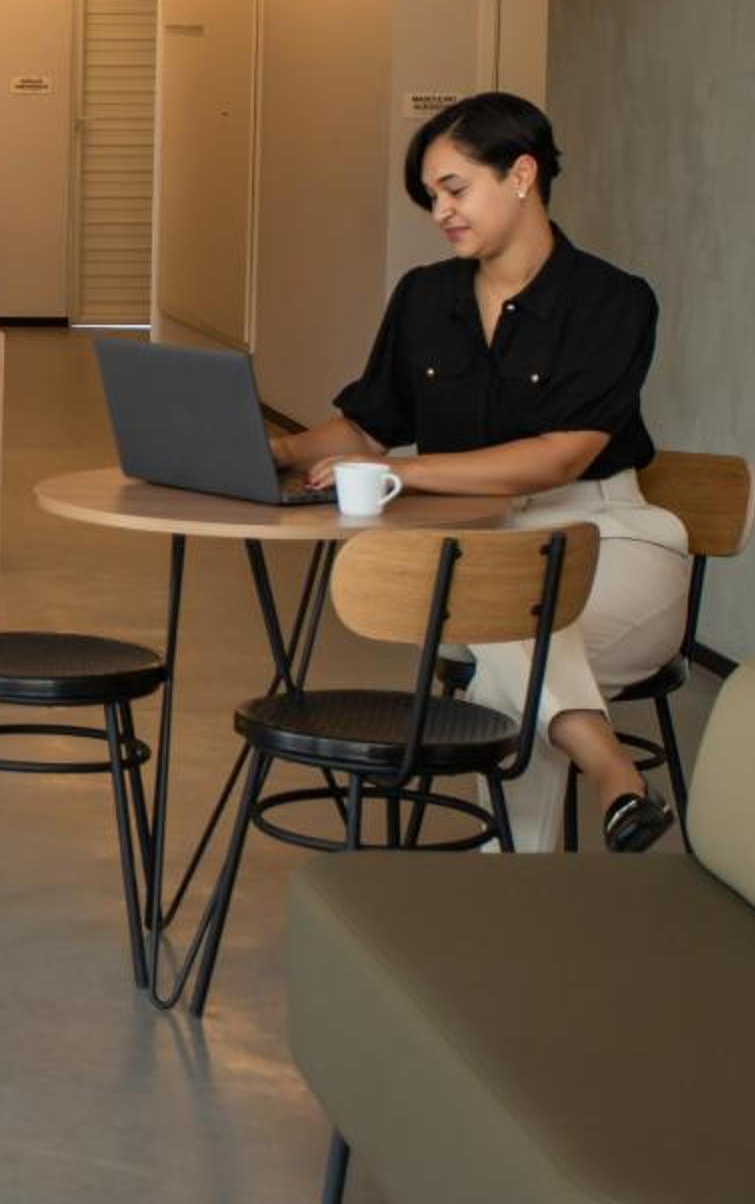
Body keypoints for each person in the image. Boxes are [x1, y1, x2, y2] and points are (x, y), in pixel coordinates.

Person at [267, 92, 684, 853]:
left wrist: (408, 473)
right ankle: (612, 778)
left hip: (610, 539)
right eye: (431, 197)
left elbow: (561, 457)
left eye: (454, 189)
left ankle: (517, 873)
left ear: (521, 175)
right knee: (502, 617)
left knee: (498, 626)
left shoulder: (612, 301)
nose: (440, 212)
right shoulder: (425, 297)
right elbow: (368, 425)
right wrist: (281, 451)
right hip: (483, 548)